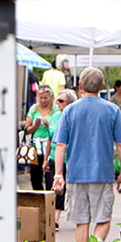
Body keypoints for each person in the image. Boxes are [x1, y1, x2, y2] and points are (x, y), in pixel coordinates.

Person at [51, 67, 121, 242]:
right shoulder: (112, 110)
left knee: (82, 221)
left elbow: (61, 145)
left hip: (76, 174)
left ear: (80, 85)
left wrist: (58, 174)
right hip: (102, 173)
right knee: (103, 217)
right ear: (102, 86)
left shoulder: (69, 111)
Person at [44, 88, 77, 228]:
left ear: (70, 102)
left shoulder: (75, 116)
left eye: (61, 100)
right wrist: (46, 159)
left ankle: (55, 219)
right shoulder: (55, 117)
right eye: (57, 100)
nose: (58, 103)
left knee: (65, 190)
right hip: (54, 157)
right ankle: (51, 218)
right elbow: (50, 139)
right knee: (53, 188)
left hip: (70, 158)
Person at [25, 84, 57, 190]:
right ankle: (39, 199)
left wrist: (49, 124)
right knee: (35, 179)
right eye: (41, 98)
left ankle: (50, 200)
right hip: (36, 147)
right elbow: (27, 130)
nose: (43, 101)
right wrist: (35, 125)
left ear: (51, 97)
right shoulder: (34, 109)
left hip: (50, 147)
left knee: (50, 178)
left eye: (45, 98)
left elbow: (58, 128)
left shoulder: (55, 110)